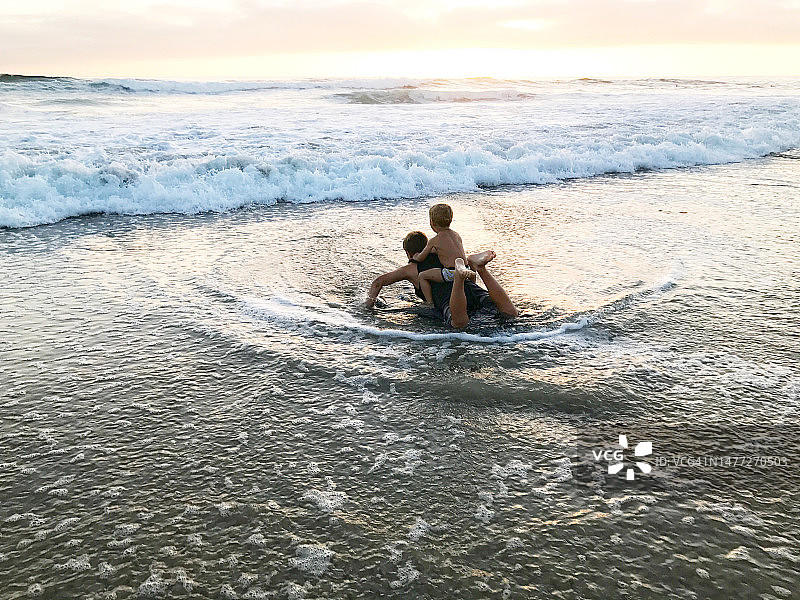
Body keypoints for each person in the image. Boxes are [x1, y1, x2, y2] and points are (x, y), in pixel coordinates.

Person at [365, 231, 519, 329]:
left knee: (460, 324)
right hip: (472, 290)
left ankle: (459, 279)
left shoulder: (411, 269)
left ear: (408, 252)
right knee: (510, 313)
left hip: (452, 301)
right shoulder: (445, 257)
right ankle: (481, 268)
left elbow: (378, 282)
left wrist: (367, 307)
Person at [412, 203, 476, 305]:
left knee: (422, 276)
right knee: (468, 273)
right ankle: (473, 288)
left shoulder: (434, 240)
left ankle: (429, 303)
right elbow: (449, 250)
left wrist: (415, 256)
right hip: (466, 268)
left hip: (451, 273)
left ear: (432, 222)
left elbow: (421, 257)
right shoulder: (456, 235)